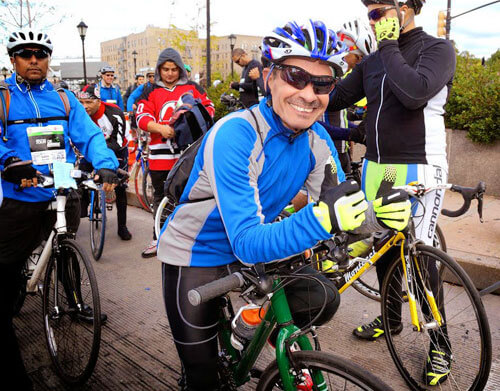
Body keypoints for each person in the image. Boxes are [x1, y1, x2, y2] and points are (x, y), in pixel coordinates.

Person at [157, 20, 411, 390]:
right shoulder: (235, 133)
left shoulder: (317, 138)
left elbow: (337, 205)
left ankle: (248, 323)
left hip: (264, 244)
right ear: (270, 79)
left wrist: (374, 219)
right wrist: (322, 218)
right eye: (296, 77)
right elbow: (246, 240)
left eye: (323, 83)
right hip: (199, 253)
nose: (309, 94)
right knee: (203, 377)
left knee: (322, 298)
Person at [328, 0, 456, 385]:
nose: (376, 18)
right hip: (378, 168)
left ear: (409, 6)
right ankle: (391, 319)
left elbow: (415, 93)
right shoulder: (370, 62)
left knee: (418, 256)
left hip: (419, 167)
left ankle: (440, 344)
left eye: (383, 9)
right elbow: (333, 99)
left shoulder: (437, 49)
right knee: (383, 247)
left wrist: (387, 46)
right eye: (371, 12)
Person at [0, 29, 119, 390]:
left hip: (62, 191)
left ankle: (74, 299)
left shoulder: (64, 99)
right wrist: (9, 162)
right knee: (5, 274)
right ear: (14, 60)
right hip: (20, 197)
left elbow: (91, 136)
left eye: (40, 54)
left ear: (48, 59)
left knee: (66, 250)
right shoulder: (3, 99)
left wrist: (106, 163)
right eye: (25, 54)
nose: (33, 60)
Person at [136, 48, 214, 258]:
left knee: (189, 198)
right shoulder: (149, 90)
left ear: (180, 69)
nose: (170, 73)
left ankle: (187, 240)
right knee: (160, 197)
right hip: (160, 157)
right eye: (165, 69)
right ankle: (158, 238)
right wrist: (160, 128)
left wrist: (189, 119)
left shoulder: (192, 87)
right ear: (159, 69)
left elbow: (209, 108)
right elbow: (141, 116)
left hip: (188, 156)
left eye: (174, 69)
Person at [321, 18, 376, 174]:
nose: (359, 65)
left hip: (341, 151)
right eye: (358, 58)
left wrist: (359, 132)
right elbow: (312, 125)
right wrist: (351, 134)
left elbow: (340, 119)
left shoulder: (341, 80)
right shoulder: (325, 80)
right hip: (324, 153)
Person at [77, 84, 132, 240]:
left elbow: (119, 141)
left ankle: (122, 226)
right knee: (80, 175)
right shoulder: (80, 115)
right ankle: (85, 202)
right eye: (81, 102)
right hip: (91, 151)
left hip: (116, 148)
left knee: (120, 187)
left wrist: (101, 151)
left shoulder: (114, 113)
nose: (84, 107)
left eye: (88, 102)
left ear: (99, 101)